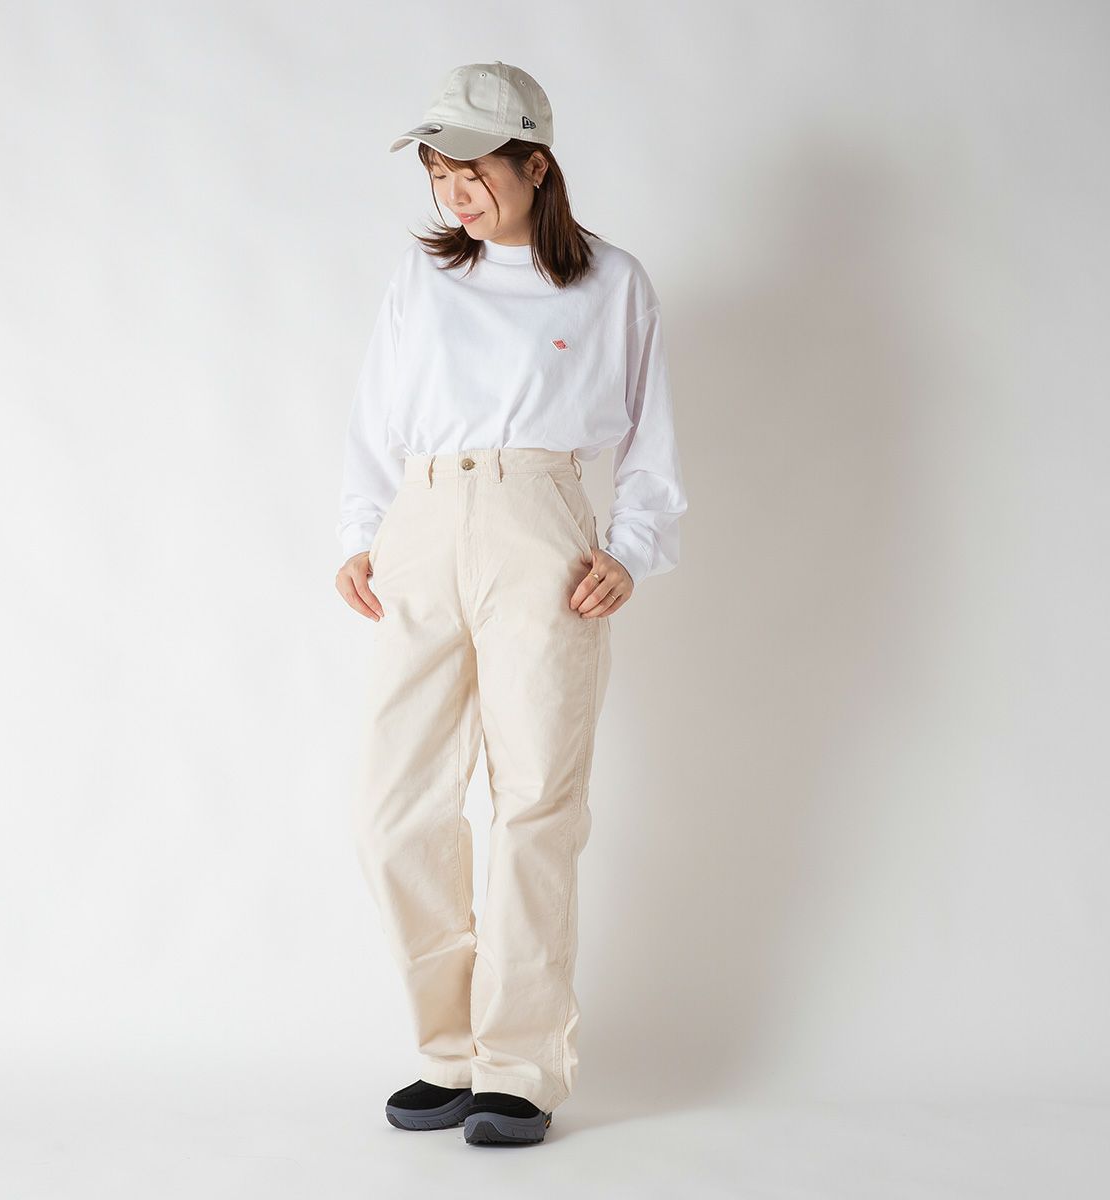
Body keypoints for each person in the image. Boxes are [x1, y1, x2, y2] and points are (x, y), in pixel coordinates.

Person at [334, 61, 688, 1146]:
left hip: (543, 525)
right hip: (423, 523)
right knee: (395, 807)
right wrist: (361, 534)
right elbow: (377, 413)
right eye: (438, 170)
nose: (455, 191)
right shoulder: (423, 278)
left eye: (474, 168)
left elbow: (649, 435)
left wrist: (630, 548)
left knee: (535, 800)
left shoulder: (612, 282)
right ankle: (449, 1053)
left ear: (536, 163)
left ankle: (520, 1067)